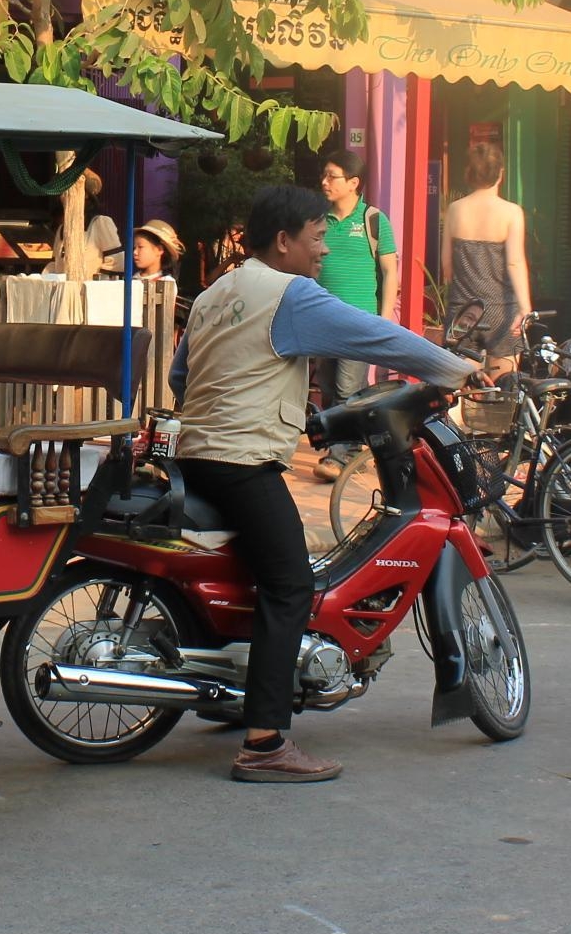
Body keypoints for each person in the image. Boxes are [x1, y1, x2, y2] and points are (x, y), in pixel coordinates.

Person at [170, 184, 479, 784]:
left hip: (197, 454)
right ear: (283, 241)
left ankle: (241, 693)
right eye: (316, 240)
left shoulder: (215, 292)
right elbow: (377, 337)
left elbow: (183, 376)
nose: (323, 254)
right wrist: (456, 369)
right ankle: (263, 745)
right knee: (290, 586)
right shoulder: (291, 294)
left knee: (258, 572)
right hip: (242, 460)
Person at [313, 151, 399, 479]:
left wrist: (383, 317)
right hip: (323, 320)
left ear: (353, 183)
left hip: (359, 320)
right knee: (331, 388)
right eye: (324, 175)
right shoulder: (319, 218)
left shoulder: (373, 220)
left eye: (331, 176)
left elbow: (391, 271)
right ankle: (353, 445)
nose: (324, 182)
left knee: (348, 387)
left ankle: (339, 456)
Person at [442, 142, 531, 373]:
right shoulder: (512, 212)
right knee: (504, 391)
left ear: (468, 174)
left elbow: (446, 264)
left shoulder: (455, 209)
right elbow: (515, 262)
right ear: (500, 174)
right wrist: (525, 308)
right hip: (502, 310)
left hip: (463, 310)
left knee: (456, 391)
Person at [57, 167, 124, 276]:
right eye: (62, 191)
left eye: (69, 189)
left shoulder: (100, 223)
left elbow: (116, 262)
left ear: (86, 194)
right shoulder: (62, 229)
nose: (64, 195)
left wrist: (94, 287)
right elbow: (56, 265)